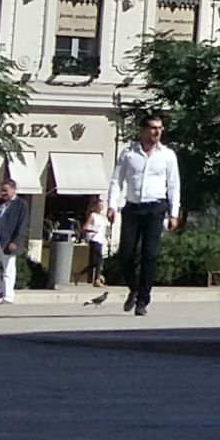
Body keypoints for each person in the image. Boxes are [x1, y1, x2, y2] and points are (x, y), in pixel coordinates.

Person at [108, 112, 182, 318]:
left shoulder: (167, 155)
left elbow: (174, 185)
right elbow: (117, 180)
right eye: (153, 128)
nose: (157, 131)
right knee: (126, 254)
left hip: (156, 208)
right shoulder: (128, 154)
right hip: (132, 207)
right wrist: (112, 205)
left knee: (150, 255)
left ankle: (143, 300)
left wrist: (173, 213)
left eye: (160, 128)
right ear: (143, 130)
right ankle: (134, 288)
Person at [80, 196, 110, 287]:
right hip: (94, 239)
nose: (101, 207)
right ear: (96, 206)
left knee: (94, 262)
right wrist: (93, 230)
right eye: (99, 205)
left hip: (101, 240)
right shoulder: (93, 215)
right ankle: (97, 280)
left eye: (102, 205)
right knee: (100, 258)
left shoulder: (103, 217)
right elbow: (85, 227)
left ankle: (79, 274)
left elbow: (106, 228)